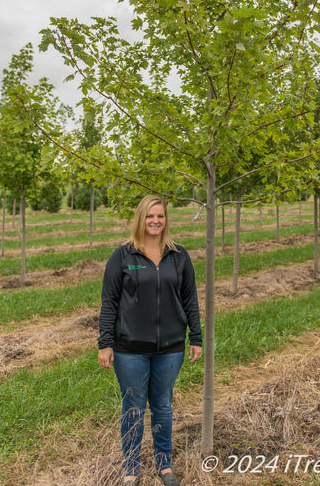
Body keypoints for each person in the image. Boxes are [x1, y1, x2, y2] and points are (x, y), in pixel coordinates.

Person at [98, 195, 202, 486]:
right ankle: (131, 468)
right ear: (140, 219)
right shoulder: (123, 256)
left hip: (170, 348)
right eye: (149, 216)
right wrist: (104, 343)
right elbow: (109, 302)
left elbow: (190, 299)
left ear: (166, 220)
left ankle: (164, 464)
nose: (155, 221)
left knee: (163, 406)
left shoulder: (178, 255)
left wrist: (196, 335)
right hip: (129, 348)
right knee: (132, 407)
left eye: (160, 216)